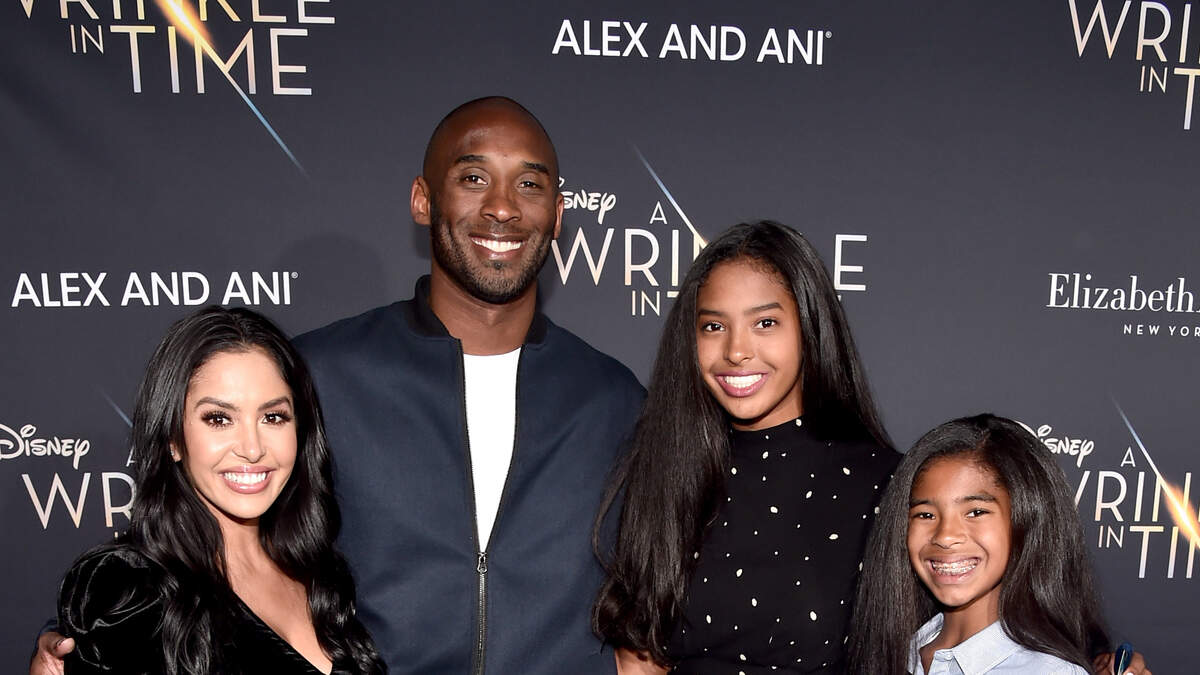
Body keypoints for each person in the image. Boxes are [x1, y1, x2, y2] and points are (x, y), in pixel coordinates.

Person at [32, 96, 643, 675]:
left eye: (530, 184)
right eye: (474, 177)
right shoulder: (315, 375)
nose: (503, 207)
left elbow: (655, 586)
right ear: (423, 200)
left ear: (558, 213)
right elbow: (202, 546)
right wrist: (91, 641)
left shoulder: (614, 399)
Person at [593, 221, 900, 673]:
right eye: (714, 326)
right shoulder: (663, 468)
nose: (736, 350)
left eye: (765, 323)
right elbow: (637, 655)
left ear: (810, 327)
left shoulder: (885, 484)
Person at [54, 307, 384, 674]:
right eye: (219, 419)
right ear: (173, 439)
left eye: (272, 417)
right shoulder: (130, 588)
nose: (252, 448)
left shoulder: (322, 573)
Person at [845, 414, 1133, 675]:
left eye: (975, 512)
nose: (945, 536)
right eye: (926, 514)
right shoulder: (890, 653)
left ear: (1025, 519)